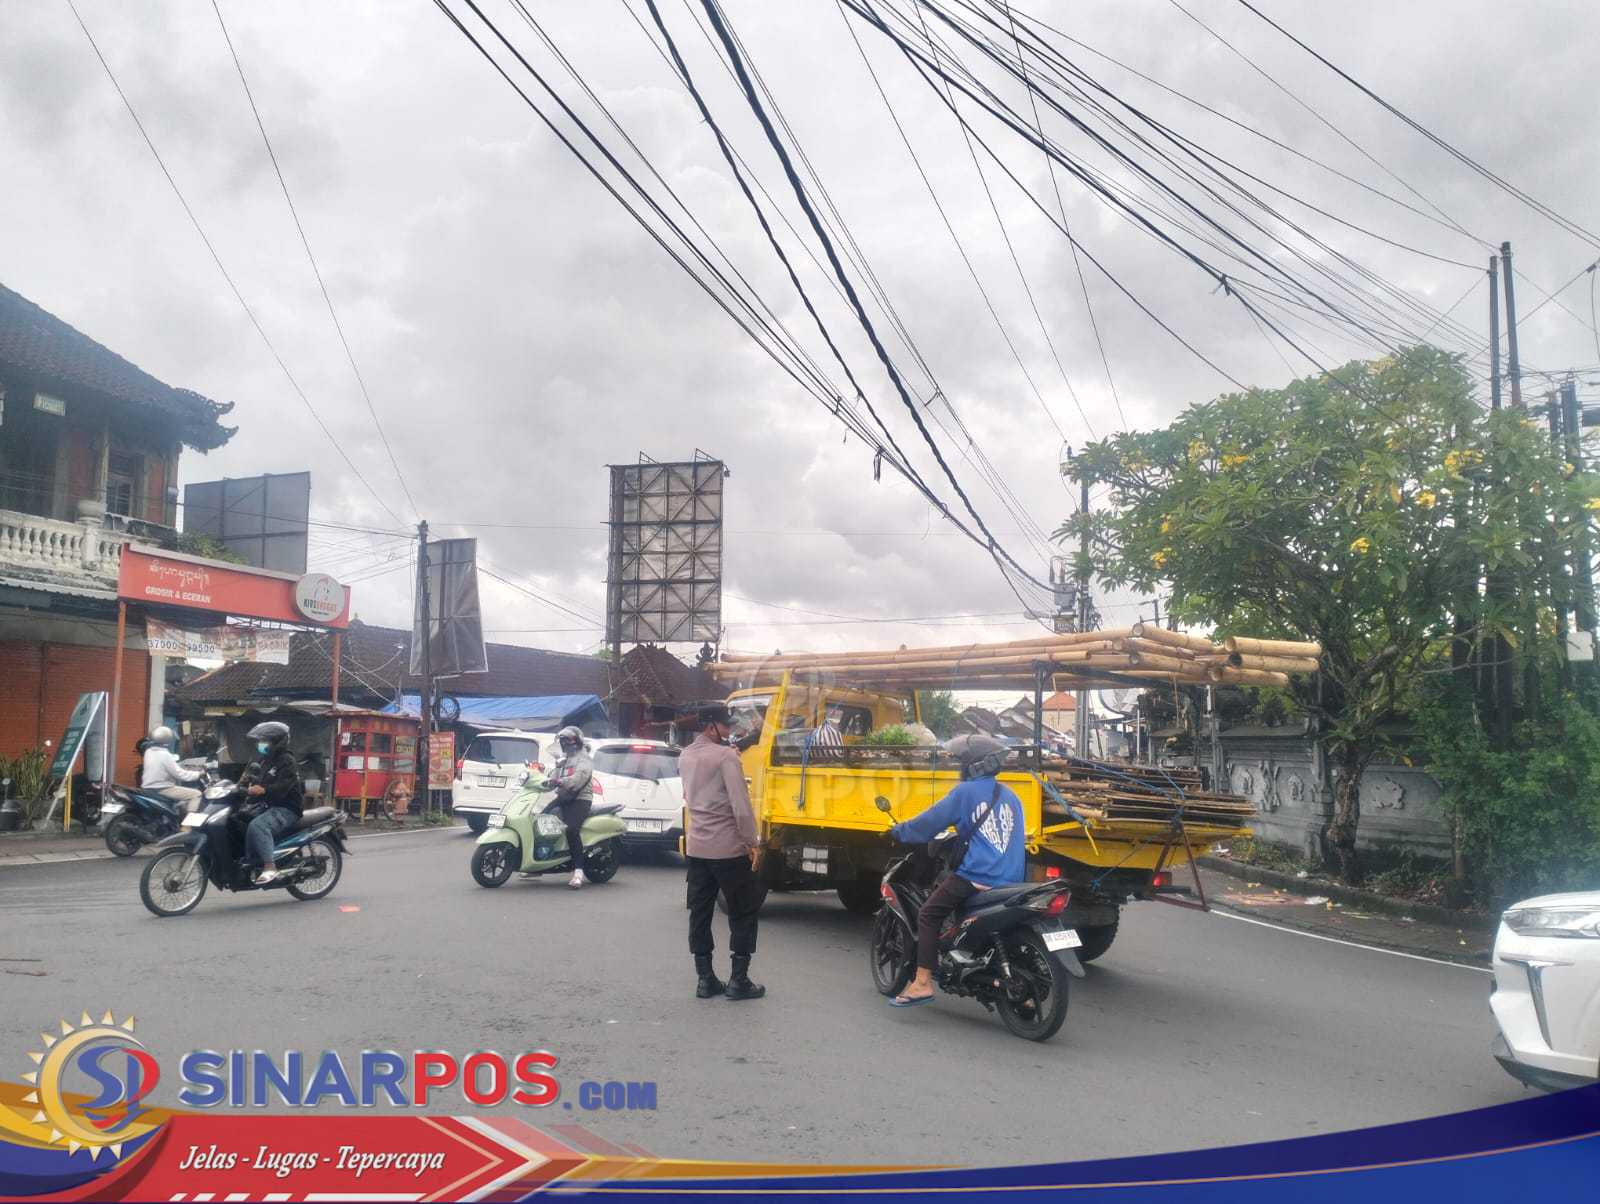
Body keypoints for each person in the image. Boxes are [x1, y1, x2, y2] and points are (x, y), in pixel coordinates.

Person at [886, 734, 1025, 1008]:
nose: (959, 766)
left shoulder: (964, 792)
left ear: (974, 765)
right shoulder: (1011, 796)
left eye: (961, 761)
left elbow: (929, 823)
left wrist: (900, 831)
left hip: (979, 876)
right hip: (1012, 879)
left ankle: (922, 983)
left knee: (928, 914)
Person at [680, 702, 766, 1001]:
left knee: (700, 913)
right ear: (711, 726)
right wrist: (752, 841)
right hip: (728, 848)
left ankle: (705, 980)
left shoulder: (685, 755)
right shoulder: (726, 756)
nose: (729, 730)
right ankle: (738, 980)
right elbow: (740, 805)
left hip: (698, 848)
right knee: (743, 912)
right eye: (725, 725)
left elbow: (689, 796)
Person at [241, 721, 303, 885]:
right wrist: (245, 782)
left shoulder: (287, 760)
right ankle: (251, 862)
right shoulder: (265, 760)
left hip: (287, 808)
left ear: (276, 741)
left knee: (258, 826)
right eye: (260, 740)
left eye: (265, 740)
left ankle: (270, 866)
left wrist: (263, 790)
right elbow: (255, 778)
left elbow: (282, 787)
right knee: (240, 819)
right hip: (269, 805)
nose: (260, 744)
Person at [546, 726, 593, 889]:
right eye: (563, 741)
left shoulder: (584, 759)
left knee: (572, 830)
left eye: (568, 741)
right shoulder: (564, 759)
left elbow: (578, 779)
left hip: (580, 799)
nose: (565, 744)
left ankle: (578, 872)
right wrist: (551, 774)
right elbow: (552, 778)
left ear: (577, 742)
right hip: (564, 797)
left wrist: (561, 781)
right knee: (540, 818)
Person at [140, 726, 204, 812]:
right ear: (167, 738)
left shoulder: (149, 751)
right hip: (162, 788)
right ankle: (189, 820)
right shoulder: (164, 754)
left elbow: (161, 766)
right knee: (196, 794)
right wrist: (198, 774)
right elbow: (180, 774)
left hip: (147, 788)